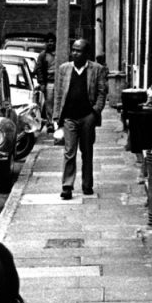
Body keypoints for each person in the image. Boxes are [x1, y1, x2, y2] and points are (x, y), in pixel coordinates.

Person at [53, 38, 108, 199]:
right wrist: (56, 117)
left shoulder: (97, 69)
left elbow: (101, 92)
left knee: (87, 152)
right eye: (73, 50)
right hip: (69, 117)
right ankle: (67, 186)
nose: (75, 53)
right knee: (69, 152)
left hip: (87, 117)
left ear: (86, 54)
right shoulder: (64, 69)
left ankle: (87, 184)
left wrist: (95, 112)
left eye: (79, 51)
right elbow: (58, 94)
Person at [35, 35, 56, 125]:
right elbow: (39, 69)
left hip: (60, 82)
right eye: (48, 41)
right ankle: (50, 122)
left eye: (52, 41)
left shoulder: (60, 54)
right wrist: (42, 83)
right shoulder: (43, 55)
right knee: (49, 103)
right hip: (49, 83)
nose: (50, 43)